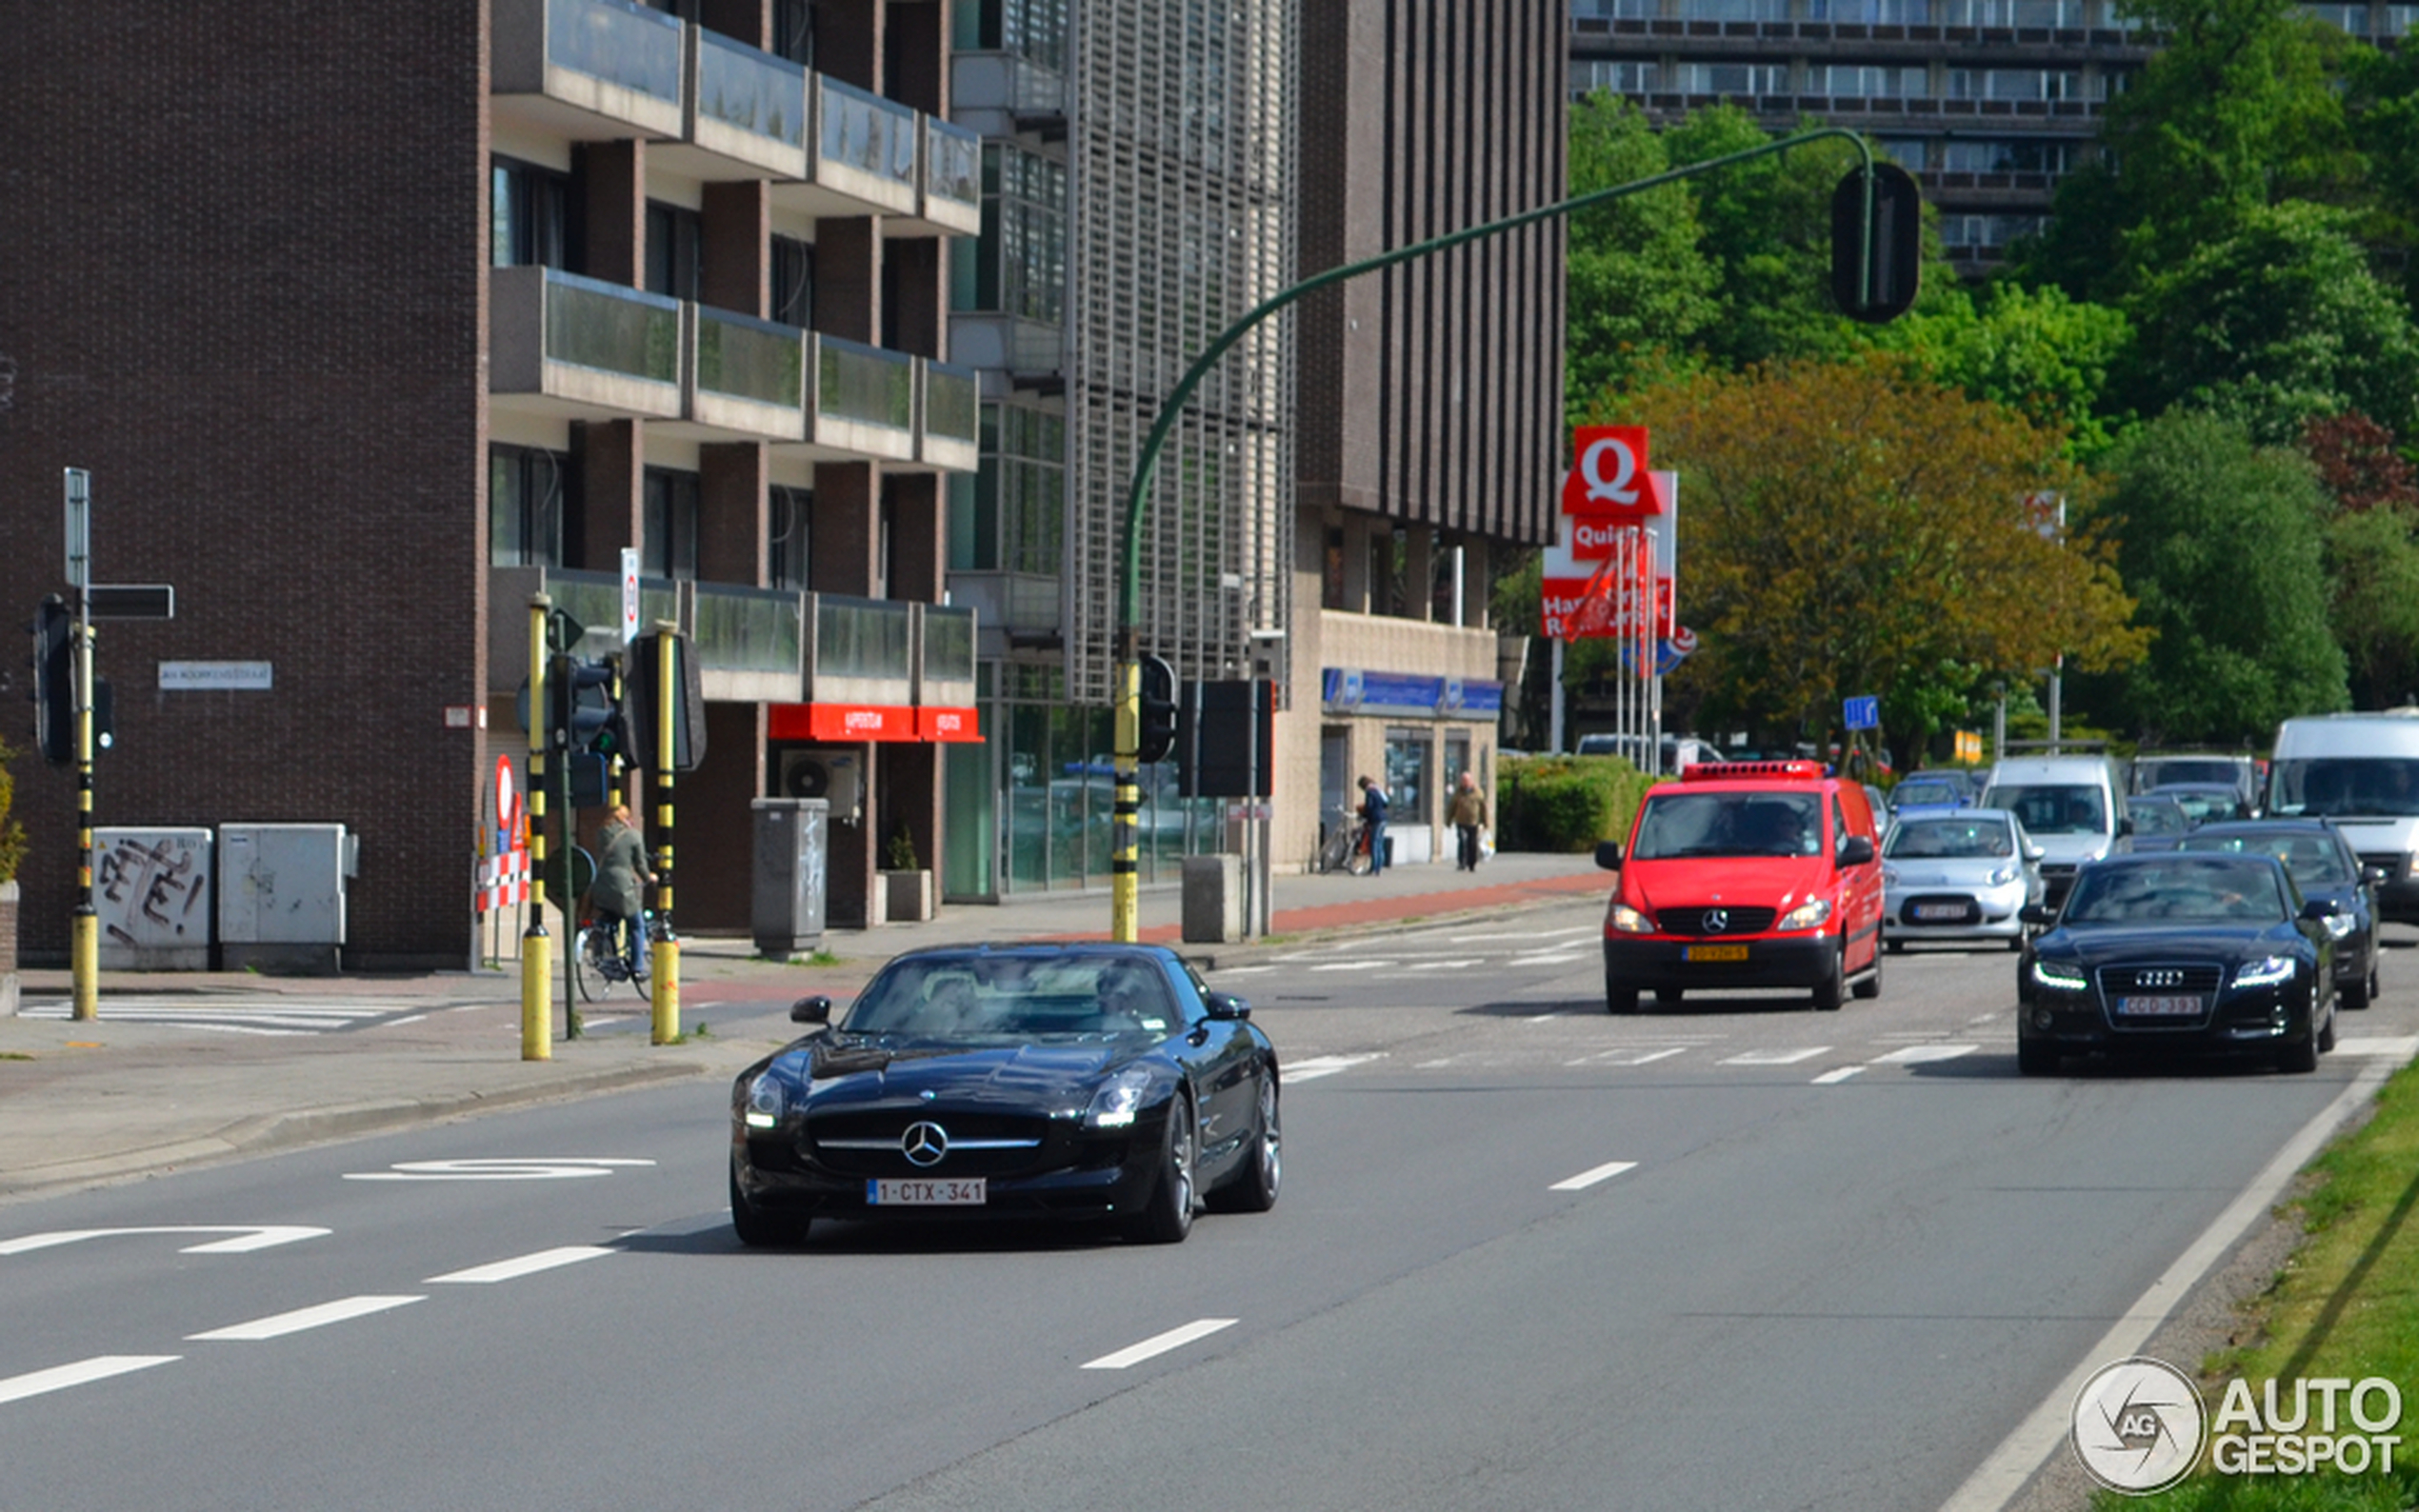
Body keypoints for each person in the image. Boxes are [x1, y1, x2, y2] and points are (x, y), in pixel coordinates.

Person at [590, 802, 654, 976]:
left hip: (601, 884)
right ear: (627, 818)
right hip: (622, 886)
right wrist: (650, 877)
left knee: (611, 918)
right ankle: (637, 967)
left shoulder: (601, 833)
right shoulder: (633, 835)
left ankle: (607, 956)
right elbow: (640, 864)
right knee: (637, 925)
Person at [1449, 770, 1489, 871]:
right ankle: (1461, 862)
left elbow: (1483, 808)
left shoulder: (1478, 793)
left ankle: (1472, 863)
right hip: (1461, 821)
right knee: (1462, 840)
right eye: (1463, 780)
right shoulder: (1458, 793)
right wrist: (1448, 820)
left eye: (1466, 780)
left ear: (1471, 781)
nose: (1464, 783)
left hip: (1473, 822)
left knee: (1472, 843)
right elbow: (1452, 807)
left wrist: (1485, 822)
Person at [1356, 774, 1390, 877]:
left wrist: (1364, 815)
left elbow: (1369, 806)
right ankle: (1379, 867)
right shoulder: (1378, 790)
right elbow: (1386, 803)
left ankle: (1374, 868)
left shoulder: (1370, 792)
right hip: (1384, 818)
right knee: (1380, 843)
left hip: (1376, 819)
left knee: (1374, 843)